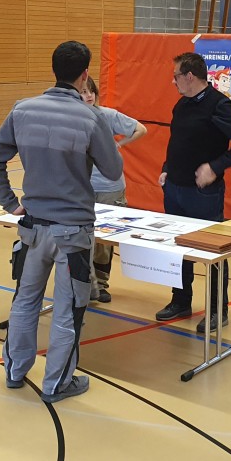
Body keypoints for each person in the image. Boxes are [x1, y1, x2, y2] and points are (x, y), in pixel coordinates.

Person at [0, 41, 123, 403]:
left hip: (32, 228)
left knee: (25, 301)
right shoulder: (91, 118)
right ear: (85, 75)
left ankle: (14, 370)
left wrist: (9, 202)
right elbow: (113, 171)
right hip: (73, 233)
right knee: (67, 309)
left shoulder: (23, 109)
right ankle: (57, 383)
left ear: (54, 69)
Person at [155, 52, 231, 333]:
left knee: (212, 252)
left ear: (189, 76)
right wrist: (167, 168)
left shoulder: (220, 105)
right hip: (174, 188)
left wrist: (215, 167)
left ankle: (217, 310)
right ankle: (180, 300)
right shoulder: (182, 104)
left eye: (175, 76)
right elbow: (177, 142)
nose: (172, 81)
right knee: (178, 248)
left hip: (203, 194)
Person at [80, 76, 147, 303]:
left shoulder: (107, 115)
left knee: (103, 241)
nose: (89, 95)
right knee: (84, 236)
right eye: (83, 91)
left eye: (91, 91)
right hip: (83, 187)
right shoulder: (72, 118)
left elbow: (140, 129)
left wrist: (119, 144)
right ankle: (85, 282)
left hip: (110, 188)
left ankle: (101, 283)